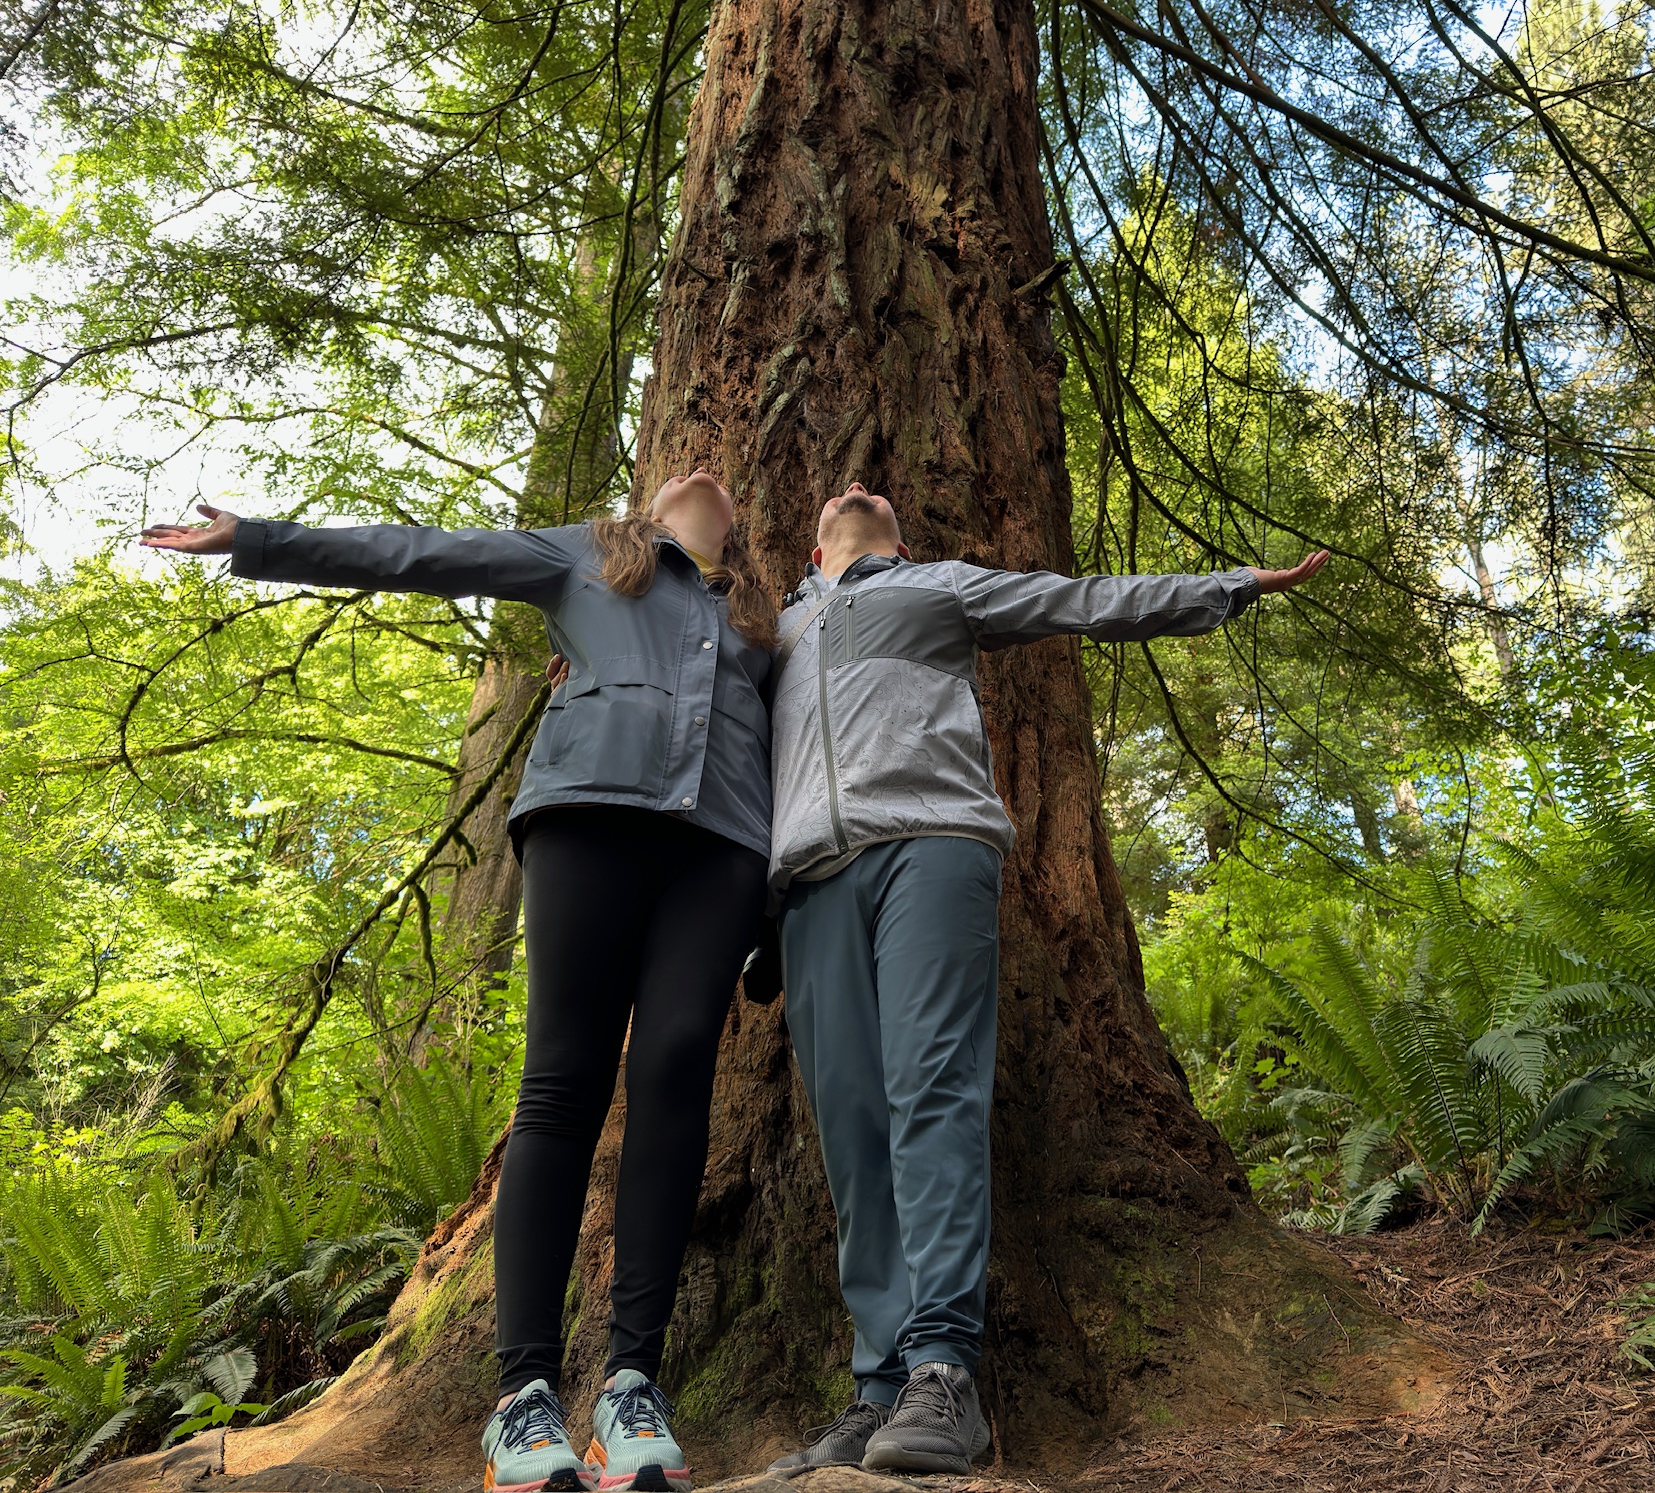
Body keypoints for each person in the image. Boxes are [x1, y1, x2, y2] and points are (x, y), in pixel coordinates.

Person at [142, 473, 779, 1493]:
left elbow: (794, 751)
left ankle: (630, 1393)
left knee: (674, 1080)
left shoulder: (756, 616)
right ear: (647, 500)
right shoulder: (583, 550)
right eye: (676, 469)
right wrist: (257, 538)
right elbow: (425, 551)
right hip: (587, 813)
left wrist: (778, 913)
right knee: (562, 1085)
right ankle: (523, 1401)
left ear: (737, 525)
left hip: (723, 853)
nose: (704, 469)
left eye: (720, 481)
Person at [760, 483, 1328, 1475]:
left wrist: (1226, 587)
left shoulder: (937, 586)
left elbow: (1079, 600)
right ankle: (877, 1387)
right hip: (809, 885)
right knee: (850, 1130)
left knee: (929, 1096)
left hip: (930, 847)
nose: (855, 487)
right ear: (810, 552)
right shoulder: (774, 635)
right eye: (835, 501)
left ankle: (944, 1374)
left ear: (897, 535)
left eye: (875, 499)